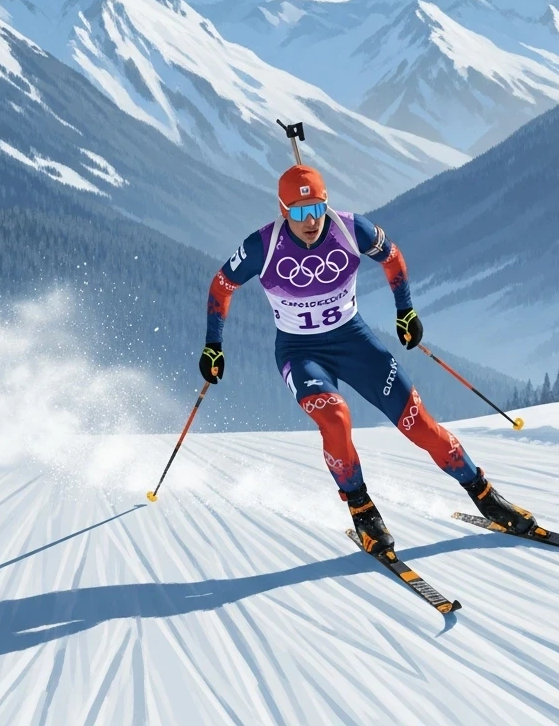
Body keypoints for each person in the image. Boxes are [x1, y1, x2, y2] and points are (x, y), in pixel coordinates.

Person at [200, 163, 535, 554]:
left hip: (355, 342)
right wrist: (213, 344)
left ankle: (483, 492)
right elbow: (222, 286)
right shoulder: (263, 245)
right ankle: (361, 508)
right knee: (336, 416)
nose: (310, 221)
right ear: (282, 210)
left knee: (420, 425)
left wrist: (405, 311)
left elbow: (392, 257)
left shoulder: (350, 228)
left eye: (316, 210)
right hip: (301, 352)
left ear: (326, 204)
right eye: (298, 213)